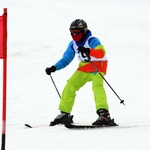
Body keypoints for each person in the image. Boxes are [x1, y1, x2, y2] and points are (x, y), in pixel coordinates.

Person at [46, 19, 115, 126]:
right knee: (70, 84)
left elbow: (101, 53)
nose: (74, 35)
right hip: (84, 67)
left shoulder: (92, 40)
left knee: (97, 86)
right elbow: (66, 59)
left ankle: (104, 114)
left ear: (83, 30)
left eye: (76, 32)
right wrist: (54, 67)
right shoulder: (73, 44)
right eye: (72, 32)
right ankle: (65, 114)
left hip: (98, 66)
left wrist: (89, 51)